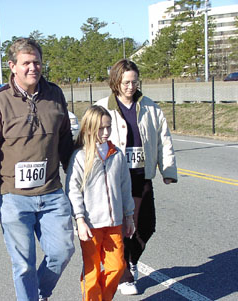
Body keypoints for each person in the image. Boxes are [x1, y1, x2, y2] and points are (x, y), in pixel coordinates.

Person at [0, 38, 75, 301]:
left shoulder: (55, 95)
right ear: (12, 66)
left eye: (37, 62)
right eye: (26, 63)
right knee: (23, 265)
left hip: (52, 193)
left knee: (62, 252)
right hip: (13, 197)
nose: (33, 67)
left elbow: (65, 142)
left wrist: (78, 181)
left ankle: (38, 291)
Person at [95, 59, 177, 295]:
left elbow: (164, 140)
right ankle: (124, 276)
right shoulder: (103, 106)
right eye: (125, 82)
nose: (130, 87)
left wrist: (168, 170)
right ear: (116, 82)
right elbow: (89, 139)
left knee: (146, 226)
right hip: (114, 178)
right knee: (121, 227)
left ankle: (130, 259)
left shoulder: (151, 107)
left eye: (134, 82)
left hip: (142, 176)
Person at [65, 105, 135, 301]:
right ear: (89, 129)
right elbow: (72, 190)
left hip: (114, 223)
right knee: (92, 271)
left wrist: (129, 216)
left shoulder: (117, 155)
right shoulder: (80, 157)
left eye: (108, 127)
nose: (105, 133)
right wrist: (79, 219)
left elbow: (125, 187)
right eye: (101, 128)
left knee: (117, 267)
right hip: (91, 225)